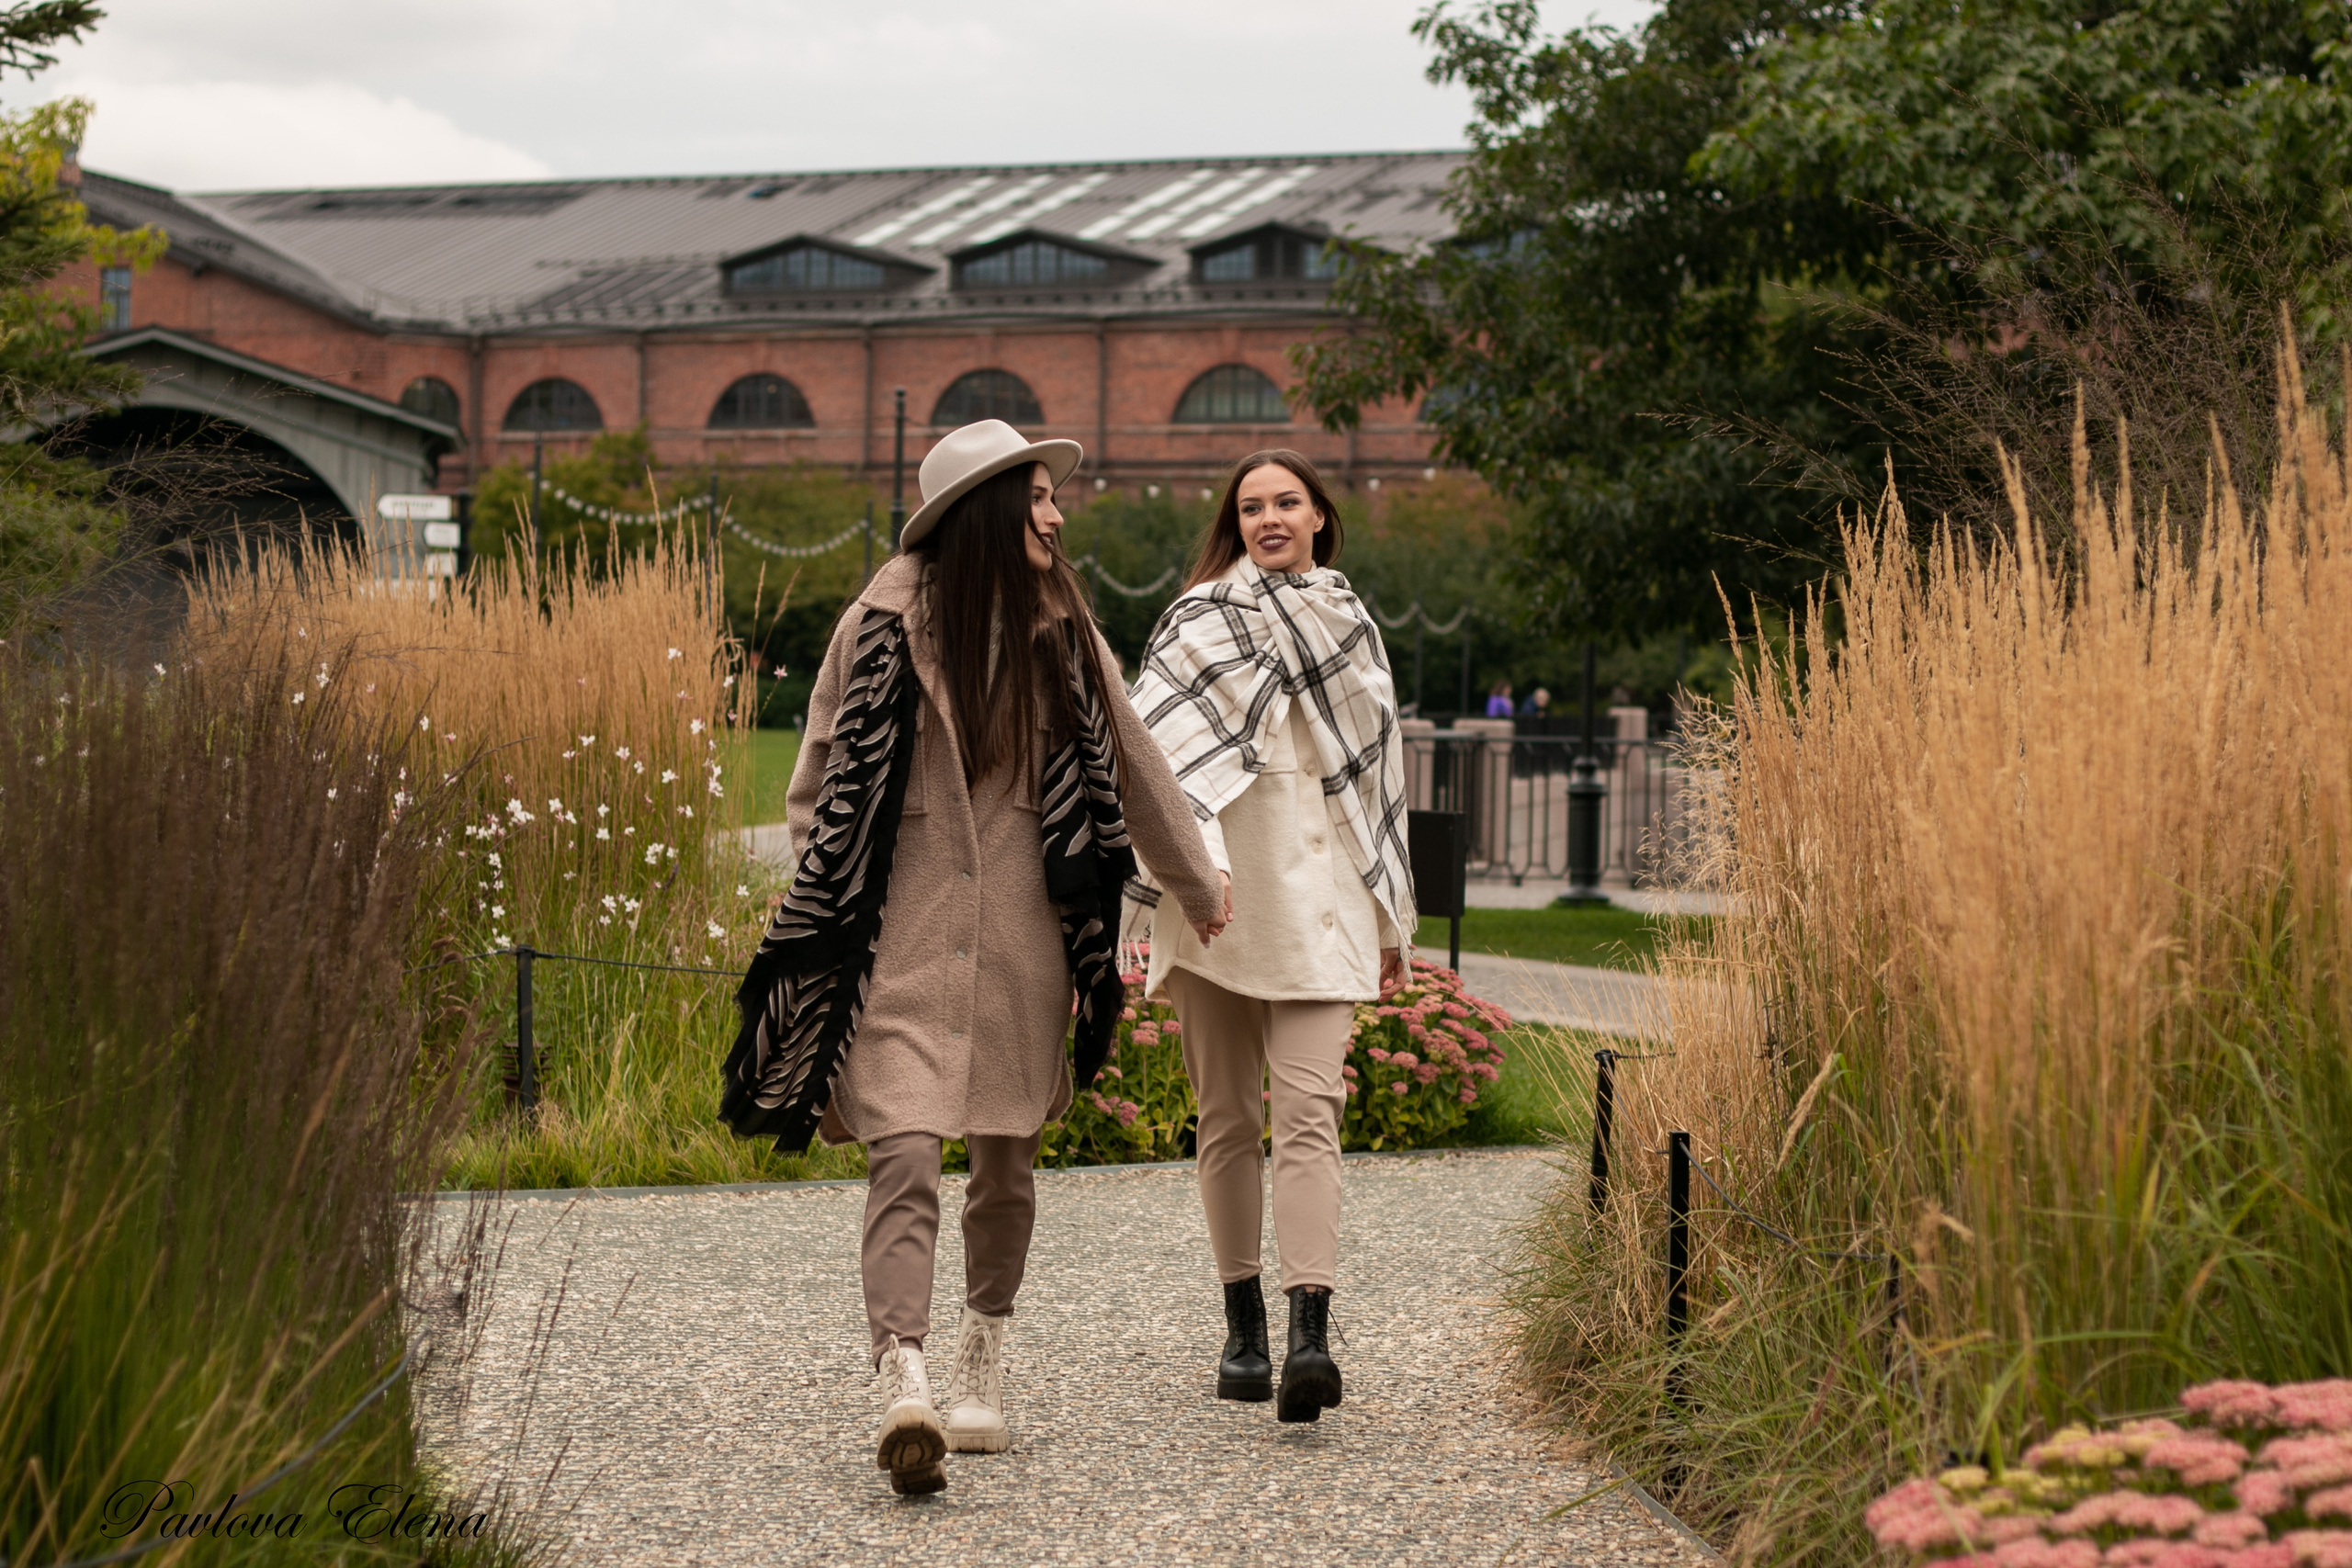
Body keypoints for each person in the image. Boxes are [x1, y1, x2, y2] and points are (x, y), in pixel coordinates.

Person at [721, 420, 1226, 1495]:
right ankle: (901, 1374)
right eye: (1038, 496)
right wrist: (826, 894)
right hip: (899, 938)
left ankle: (982, 1352)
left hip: (1026, 942)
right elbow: (817, 778)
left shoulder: (1062, 627)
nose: (1055, 512)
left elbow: (1132, 757)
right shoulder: (878, 626)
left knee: (1005, 1162)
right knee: (900, 1152)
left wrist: (1194, 880)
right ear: (987, 510)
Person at [1125, 448, 1416, 1424]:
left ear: (1321, 516)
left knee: (1308, 1116)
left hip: (1322, 903)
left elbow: (1377, 789)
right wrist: (1184, 880)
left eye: (1286, 501)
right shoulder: (1195, 621)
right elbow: (1158, 765)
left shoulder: (1351, 623)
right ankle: (1240, 1327)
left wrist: (1386, 914)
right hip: (1217, 900)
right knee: (1226, 1122)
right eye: (1251, 506)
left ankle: (1309, 1337)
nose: (1269, 517)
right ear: (1235, 522)